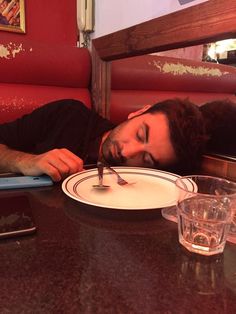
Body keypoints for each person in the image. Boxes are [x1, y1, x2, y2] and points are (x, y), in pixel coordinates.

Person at [0, 98, 234, 182]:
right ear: (138, 112)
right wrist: (24, 161)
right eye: (140, 134)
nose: (128, 151)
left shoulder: (141, 186)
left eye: (147, 158)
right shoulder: (67, 115)